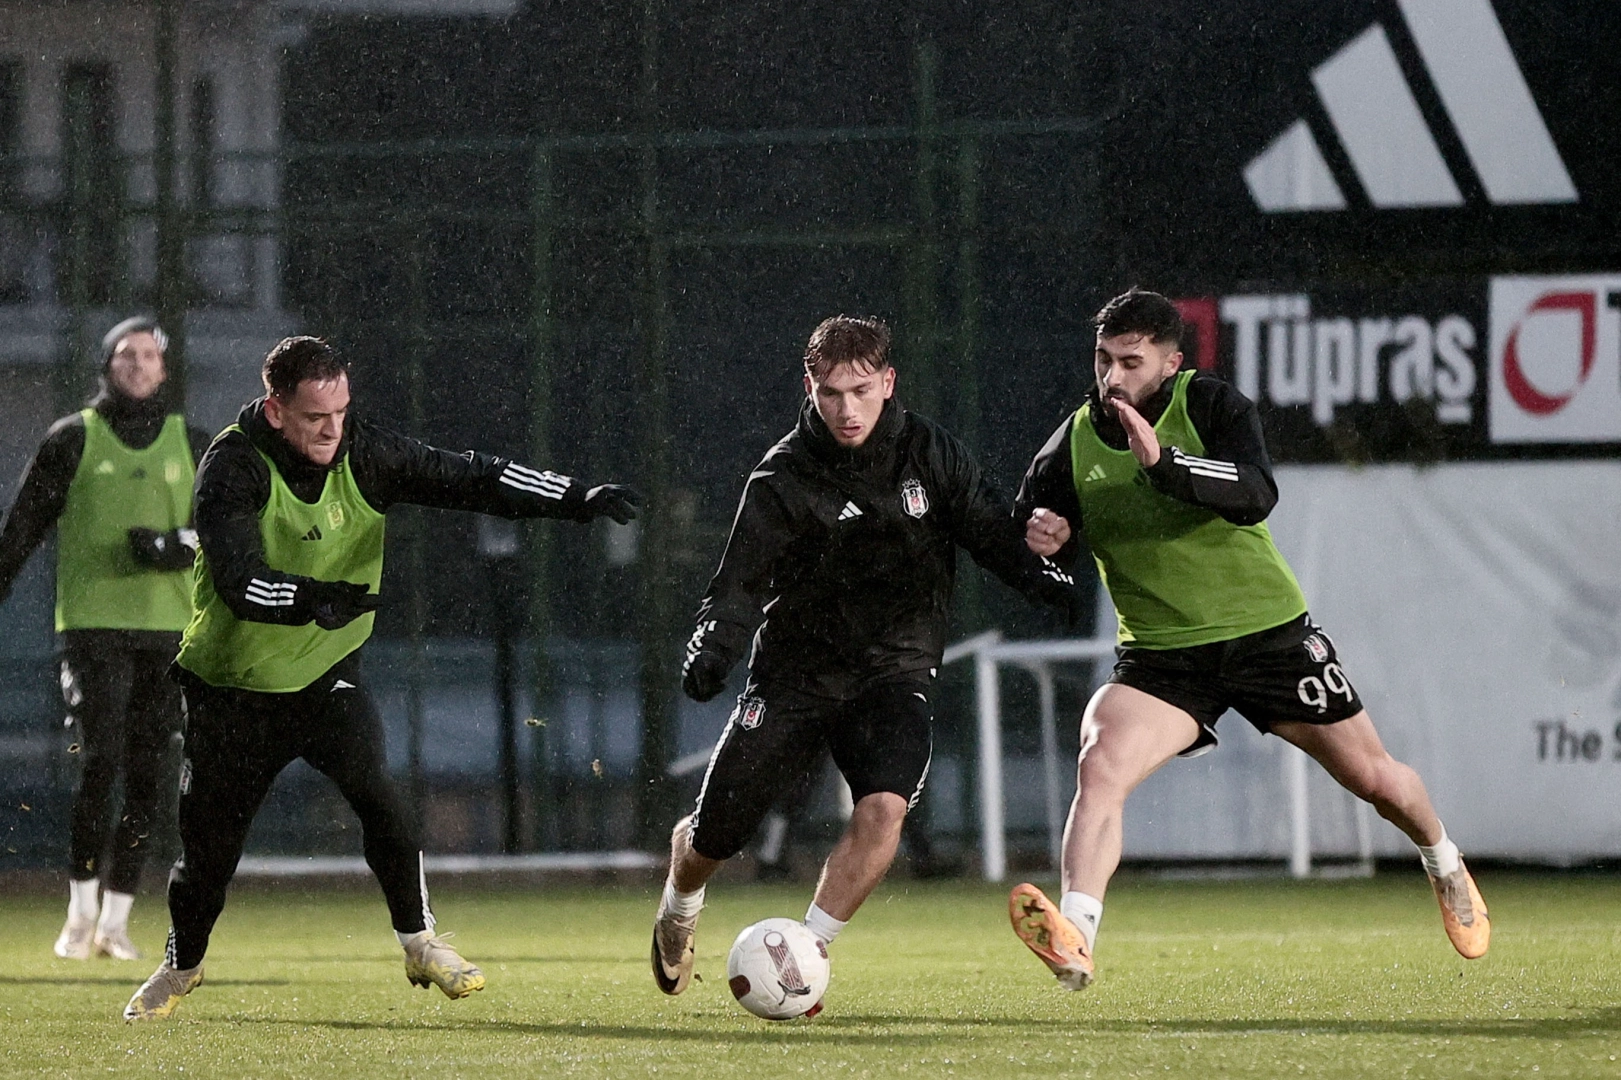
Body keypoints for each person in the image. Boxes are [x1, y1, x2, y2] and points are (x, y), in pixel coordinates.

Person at [122, 336, 641, 1021]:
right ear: (276, 411)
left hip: (322, 676)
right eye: (315, 417)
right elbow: (239, 581)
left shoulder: (365, 452)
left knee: (378, 796)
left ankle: (420, 942)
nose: (333, 428)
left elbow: (472, 477)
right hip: (230, 688)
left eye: (341, 410)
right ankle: (182, 965)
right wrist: (311, 598)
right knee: (207, 860)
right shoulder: (231, 467)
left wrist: (576, 497)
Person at [1006, 288, 1489, 991]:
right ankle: (1077, 935)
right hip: (1162, 654)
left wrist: (1162, 463)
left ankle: (1443, 860)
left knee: (1374, 780)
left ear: (1170, 362)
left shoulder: (1211, 406)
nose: (1112, 377)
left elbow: (1255, 492)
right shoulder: (1072, 439)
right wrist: (1048, 541)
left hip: (1265, 635)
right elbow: (1035, 536)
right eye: (1103, 359)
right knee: (1099, 763)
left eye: (1131, 362)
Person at [654, 315, 1080, 996]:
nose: (846, 409)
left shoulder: (930, 453)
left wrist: (1042, 578)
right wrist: (715, 647)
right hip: (795, 674)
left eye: (859, 390)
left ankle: (805, 957)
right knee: (715, 838)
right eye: (829, 394)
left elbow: (989, 530)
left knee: (883, 808)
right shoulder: (782, 477)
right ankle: (678, 904)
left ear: (887, 381)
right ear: (809, 387)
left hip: (894, 670)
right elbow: (736, 585)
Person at [0, 317, 210, 963]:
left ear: (164, 369)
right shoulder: (72, 439)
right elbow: (24, 523)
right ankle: (80, 910)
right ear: (107, 363)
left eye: (149, 355)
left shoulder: (193, 441)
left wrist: (174, 547)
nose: (138, 364)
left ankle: (116, 921)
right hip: (93, 626)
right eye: (127, 354)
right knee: (100, 763)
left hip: (169, 631)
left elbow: (220, 531)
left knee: (150, 775)